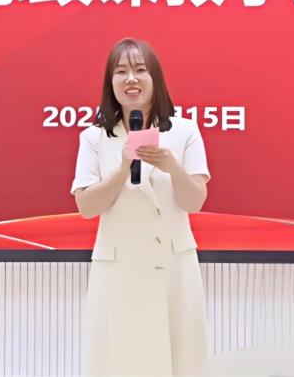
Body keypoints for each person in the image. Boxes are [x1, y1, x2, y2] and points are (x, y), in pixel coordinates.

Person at [71, 38, 211, 377]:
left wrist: (172, 167)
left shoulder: (183, 131)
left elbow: (194, 201)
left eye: (139, 70)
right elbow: (87, 207)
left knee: (181, 358)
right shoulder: (94, 137)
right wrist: (122, 170)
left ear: (155, 79)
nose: (130, 79)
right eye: (121, 72)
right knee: (118, 359)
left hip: (172, 265)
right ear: (111, 83)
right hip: (119, 267)